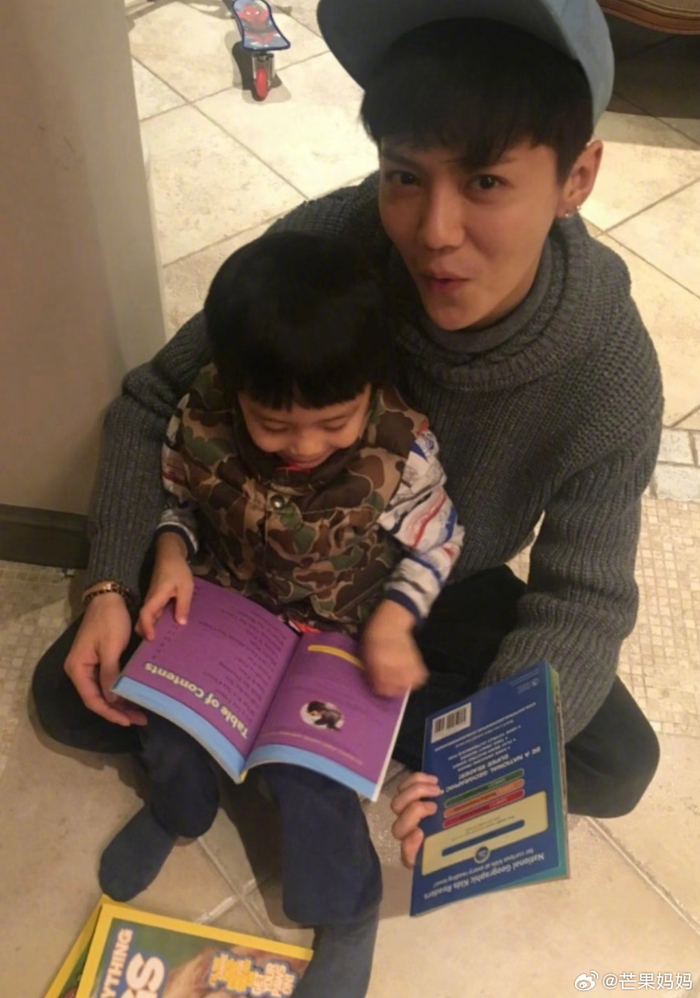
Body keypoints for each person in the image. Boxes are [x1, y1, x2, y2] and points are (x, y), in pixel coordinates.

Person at [32, 0, 663, 994]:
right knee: (70, 689)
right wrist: (114, 580)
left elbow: (582, 598)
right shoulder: (328, 246)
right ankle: (265, 728)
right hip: (258, 550)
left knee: (612, 761)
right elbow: (157, 401)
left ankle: (310, 736)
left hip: (436, 575)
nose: (434, 231)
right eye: (405, 175)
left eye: (486, 181)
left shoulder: (609, 366)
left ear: (576, 177)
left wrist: (480, 760)